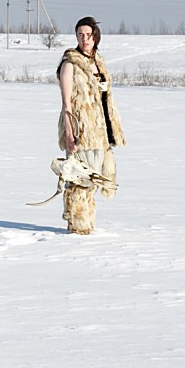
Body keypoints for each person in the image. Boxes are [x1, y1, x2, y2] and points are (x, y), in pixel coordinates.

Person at [55, 15, 126, 235]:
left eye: (88, 35)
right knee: (79, 179)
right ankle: (78, 225)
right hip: (80, 130)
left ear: (95, 37)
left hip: (100, 131)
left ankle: (86, 222)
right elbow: (66, 102)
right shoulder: (70, 64)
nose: (85, 39)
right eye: (80, 35)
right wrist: (69, 133)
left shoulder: (98, 63)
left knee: (94, 179)